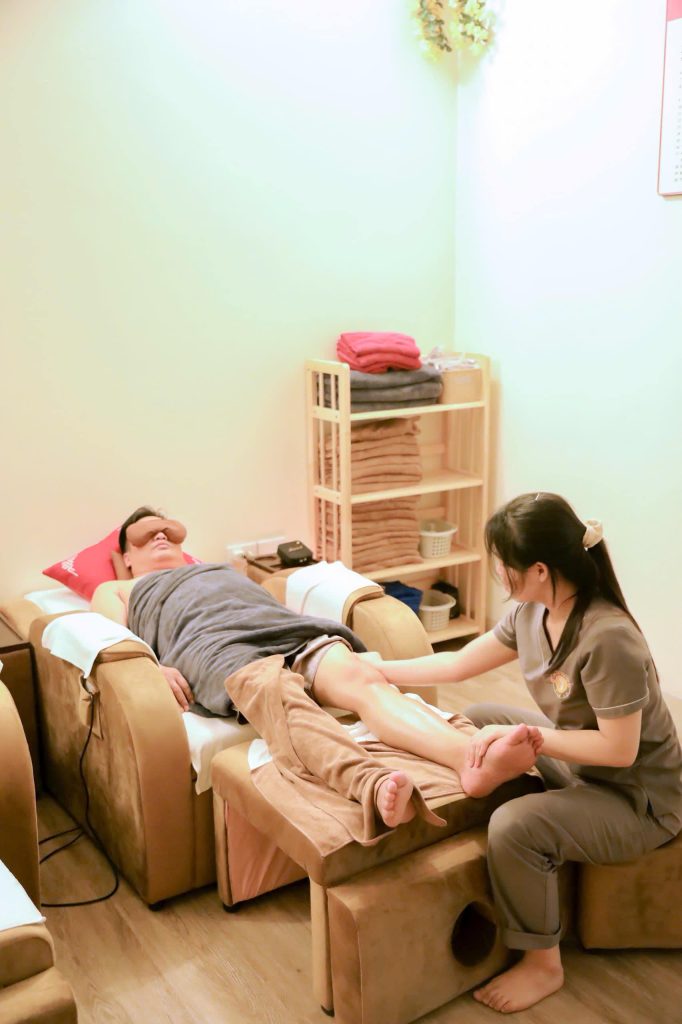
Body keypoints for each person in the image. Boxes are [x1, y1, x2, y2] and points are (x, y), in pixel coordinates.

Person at [370, 492, 682, 1013]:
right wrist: (378, 669)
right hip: (584, 767)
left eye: (503, 562)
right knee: (484, 714)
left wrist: (528, 738)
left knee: (514, 827)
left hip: (638, 800)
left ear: (539, 569)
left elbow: (619, 749)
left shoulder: (608, 638)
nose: (497, 571)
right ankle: (486, 785)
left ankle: (542, 964)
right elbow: (457, 664)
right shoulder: (533, 613)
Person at [92, 506, 541, 832]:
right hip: (212, 646)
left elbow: (264, 595)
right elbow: (111, 636)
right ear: (125, 557)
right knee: (279, 695)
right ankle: (370, 783)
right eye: (144, 538)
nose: (161, 537)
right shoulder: (120, 587)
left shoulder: (217, 568)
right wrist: (152, 666)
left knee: (365, 680)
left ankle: (469, 759)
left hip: (281, 626)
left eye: (168, 533)